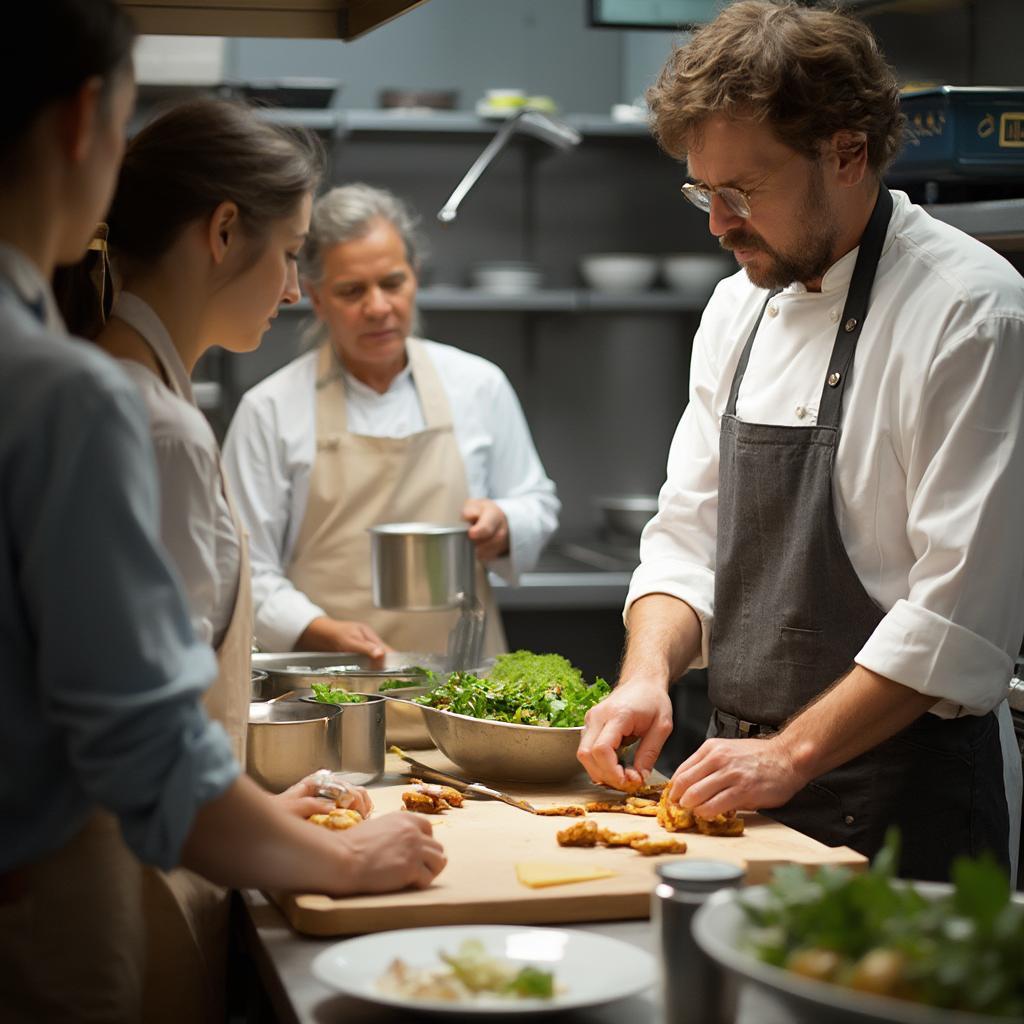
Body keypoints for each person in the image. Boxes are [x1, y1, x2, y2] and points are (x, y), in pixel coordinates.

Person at [0, 4, 444, 1020]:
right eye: (293, 255)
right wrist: (343, 856)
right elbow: (142, 744)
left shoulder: (120, 389)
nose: (294, 290)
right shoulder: (118, 410)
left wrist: (257, 813)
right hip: (88, 903)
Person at [577, 0, 1024, 882]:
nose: (717, 223)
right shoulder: (737, 306)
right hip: (742, 793)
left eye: (742, 191)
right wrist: (646, 674)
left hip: (906, 811)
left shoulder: (972, 315)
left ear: (848, 154)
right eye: (703, 191)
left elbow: (958, 615)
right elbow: (686, 537)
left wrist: (792, 753)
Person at [223, 183, 560, 658]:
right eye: (352, 291)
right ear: (316, 299)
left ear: (415, 278)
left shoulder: (478, 385)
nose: (378, 307)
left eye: (392, 283)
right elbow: (242, 570)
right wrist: (319, 629)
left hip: (462, 685)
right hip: (329, 688)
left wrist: (504, 525)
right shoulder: (271, 410)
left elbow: (537, 502)